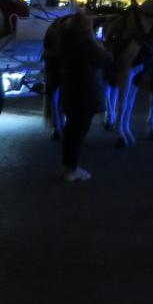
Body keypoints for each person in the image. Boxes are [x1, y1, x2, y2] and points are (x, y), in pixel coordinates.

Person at [59, 11, 110, 181]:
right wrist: (97, 41)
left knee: (71, 130)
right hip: (86, 94)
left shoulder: (66, 39)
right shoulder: (87, 43)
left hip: (70, 91)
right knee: (78, 132)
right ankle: (72, 169)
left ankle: (68, 166)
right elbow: (106, 59)